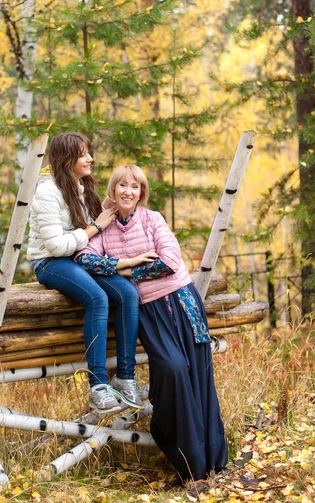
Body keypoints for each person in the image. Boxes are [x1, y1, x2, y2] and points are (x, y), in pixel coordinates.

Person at [75, 164, 228, 481]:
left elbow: (171, 261)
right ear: (113, 190)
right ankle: (185, 456)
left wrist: (125, 271)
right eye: (122, 185)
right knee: (172, 371)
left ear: (141, 192)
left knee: (199, 376)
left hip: (183, 303)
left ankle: (213, 460)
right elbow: (83, 259)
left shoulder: (153, 218)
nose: (128, 191)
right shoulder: (104, 228)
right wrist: (126, 261)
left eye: (134, 186)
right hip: (149, 312)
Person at [27, 133, 154, 414]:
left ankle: (125, 378)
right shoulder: (48, 192)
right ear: (67, 159)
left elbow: (99, 230)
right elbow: (57, 246)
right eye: (83, 154)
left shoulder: (82, 186)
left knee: (127, 293)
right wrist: (94, 228)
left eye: (88, 153)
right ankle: (98, 387)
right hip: (50, 262)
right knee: (97, 298)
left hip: (80, 258)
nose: (90, 159)